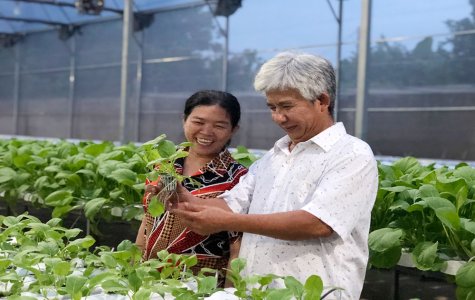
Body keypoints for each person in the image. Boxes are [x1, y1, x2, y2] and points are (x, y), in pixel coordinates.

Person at [171, 52, 379, 299]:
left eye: (287, 106)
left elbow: (319, 223)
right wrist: (183, 199)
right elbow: (231, 204)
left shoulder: (351, 153)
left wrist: (227, 222)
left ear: (322, 101)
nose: (278, 117)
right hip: (257, 292)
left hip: (311, 294)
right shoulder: (273, 157)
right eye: (272, 107)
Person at [135, 90, 248, 287]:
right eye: (198, 122)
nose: (206, 131)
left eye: (219, 125)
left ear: (233, 130)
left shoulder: (239, 178)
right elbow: (148, 218)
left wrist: (229, 294)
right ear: (184, 120)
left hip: (200, 286)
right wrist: (133, 266)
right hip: (150, 279)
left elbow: (237, 245)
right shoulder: (164, 165)